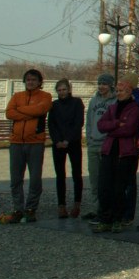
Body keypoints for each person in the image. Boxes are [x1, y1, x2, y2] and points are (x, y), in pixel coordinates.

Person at [92, 73, 139, 234]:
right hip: (109, 150)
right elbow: (101, 125)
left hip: (125, 152)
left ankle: (118, 218)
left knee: (119, 188)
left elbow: (129, 128)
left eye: (122, 90)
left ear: (129, 91)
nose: (118, 93)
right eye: (118, 90)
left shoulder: (135, 108)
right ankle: (104, 217)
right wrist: (116, 124)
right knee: (104, 186)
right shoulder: (113, 108)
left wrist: (112, 129)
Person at [5, 68, 53, 223]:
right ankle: (18, 208)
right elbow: (9, 113)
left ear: (39, 82)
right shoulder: (17, 96)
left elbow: (41, 109)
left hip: (35, 142)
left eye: (34, 80)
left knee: (35, 178)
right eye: (28, 80)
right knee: (16, 178)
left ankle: (31, 208)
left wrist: (21, 111)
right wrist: (30, 113)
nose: (31, 82)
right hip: (16, 142)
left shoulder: (45, 96)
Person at [48, 79, 85, 219]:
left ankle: (77, 203)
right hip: (58, 143)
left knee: (76, 173)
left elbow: (78, 122)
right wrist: (57, 140)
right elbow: (51, 124)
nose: (62, 92)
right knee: (60, 175)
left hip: (73, 142)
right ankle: (61, 205)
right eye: (59, 90)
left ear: (69, 89)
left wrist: (67, 140)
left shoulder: (77, 102)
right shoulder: (54, 105)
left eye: (64, 89)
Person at [83, 74, 116, 220]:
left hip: (106, 144)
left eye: (105, 84)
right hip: (93, 143)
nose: (102, 86)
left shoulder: (114, 102)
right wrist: (90, 137)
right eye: (100, 83)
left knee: (106, 179)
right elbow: (89, 121)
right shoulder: (93, 101)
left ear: (110, 85)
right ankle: (95, 207)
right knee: (94, 178)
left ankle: (106, 208)